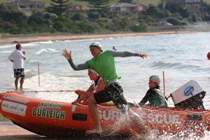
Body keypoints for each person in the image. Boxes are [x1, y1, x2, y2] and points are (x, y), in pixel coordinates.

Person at [62, 42, 148, 135]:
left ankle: (98, 128)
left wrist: (138, 54)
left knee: (124, 110)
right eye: (90, 50)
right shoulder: (92, 62)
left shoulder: (108, 54)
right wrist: (70, 59)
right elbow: (76, 67)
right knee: (126, 111)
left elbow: (123, 53)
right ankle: (145, 130)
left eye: (93, 49)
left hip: (115, 87)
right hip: (110, 89)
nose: (91, 51)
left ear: (99, 49)